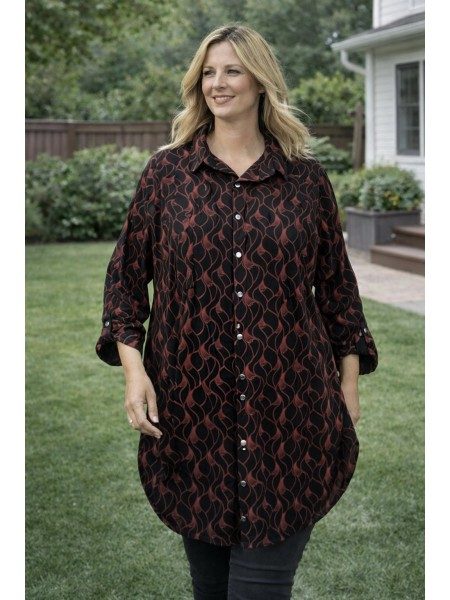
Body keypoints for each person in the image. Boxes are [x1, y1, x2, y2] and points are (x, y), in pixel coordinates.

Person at [96, 22, 378, 600]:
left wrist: (348, 384)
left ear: (261, 80)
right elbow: (124, 282)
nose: (217, 84)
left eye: (232, 70)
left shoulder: (304, 179)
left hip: (289, 414)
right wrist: (134, 372)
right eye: (207, 72)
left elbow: (338, 290)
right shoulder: (167, 175)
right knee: (210, 589)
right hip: (191, 417)